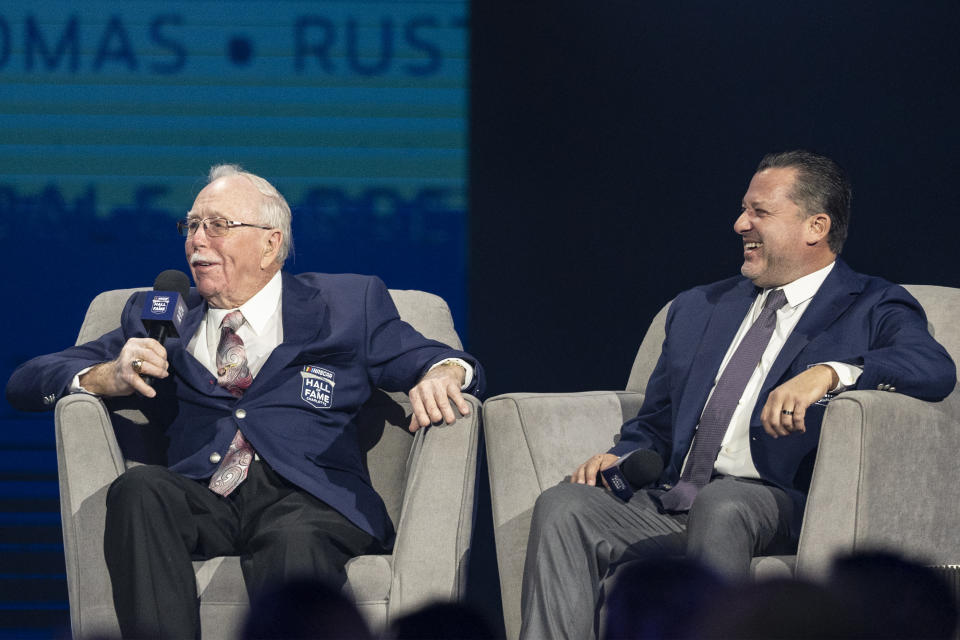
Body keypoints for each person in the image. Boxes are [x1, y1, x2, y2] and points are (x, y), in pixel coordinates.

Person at [6, 165, 485, 639]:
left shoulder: (345, 303)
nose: (197, 240)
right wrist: (109, 375)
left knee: (292, 539)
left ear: (270, 244)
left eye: (218, 225)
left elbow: (435, 358)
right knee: (138, 491)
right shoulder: (162, 315)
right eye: (191, 225)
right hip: (204, 494)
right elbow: (27, 381)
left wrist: (444, 373)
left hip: (309, 496)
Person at [519, 150, 956, 639]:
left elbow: (932, 368)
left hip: (781, 501)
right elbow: (656, 424)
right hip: (674, 499)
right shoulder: (698, 307)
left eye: (759, 212)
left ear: (816, 226)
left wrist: (831, 373)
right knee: (564, 505)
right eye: (743, 209)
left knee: (725, 502)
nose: (739, 223)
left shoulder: (872, 303)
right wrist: (619, 457)